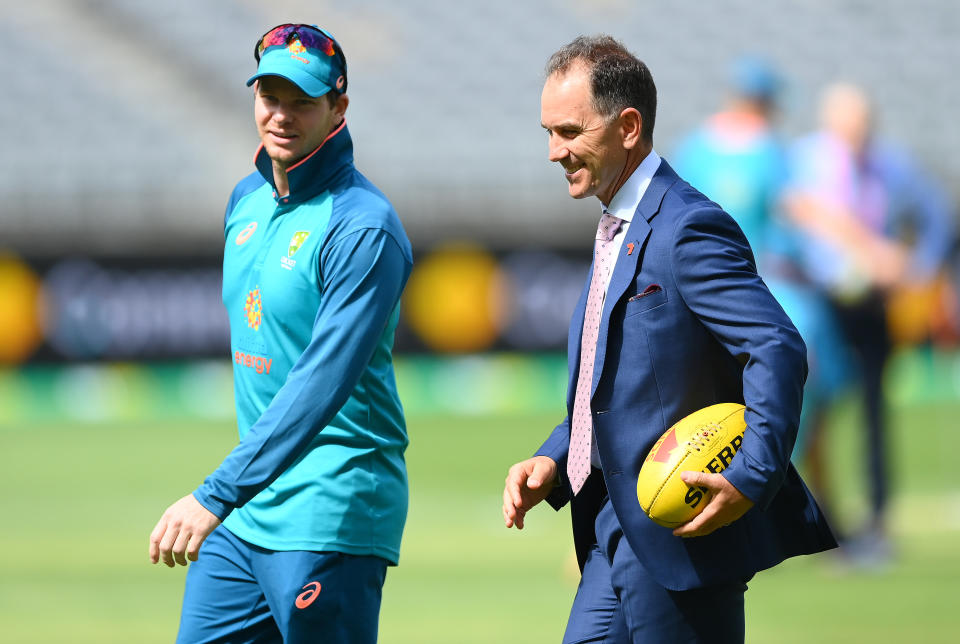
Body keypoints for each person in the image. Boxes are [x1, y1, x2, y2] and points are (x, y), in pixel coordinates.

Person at [502, 35, 836, 642]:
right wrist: (556, 457)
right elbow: (620, 383)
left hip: (681, 534)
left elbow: (776, 346)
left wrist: (750, 475)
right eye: (547, 132)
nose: (554, 151)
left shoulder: (687, 228)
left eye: (570, 131)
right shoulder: (618, 225)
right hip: (610, 525)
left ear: (628, 126)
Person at [148, 23, 413, 643]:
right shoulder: (245, 199)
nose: (282, 115)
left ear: (338, 108)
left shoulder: (364, 228)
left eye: (303, 101)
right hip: (251, 511)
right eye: (270, 96)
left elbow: (318, 384)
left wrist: (215, 492)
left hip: (330, 507)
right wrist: (235, 495)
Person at [672, 56, 850, 531]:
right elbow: (803, 214)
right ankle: (804, 511)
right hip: (768, 297)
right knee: (804, 392)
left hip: (700, 301)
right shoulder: (771, 152)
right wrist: (869, 251)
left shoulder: (694, 149)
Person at [782, 82, 954, 566]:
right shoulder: (805, 161)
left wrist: (918, 267)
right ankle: (817, 513)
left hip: (873, 303)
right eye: (846, 127)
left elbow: (935, 214)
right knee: (815, 408)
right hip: (822, 298)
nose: (855, 137)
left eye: (862, 127)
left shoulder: (890, 163)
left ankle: (878, 517)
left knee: (876, 410)